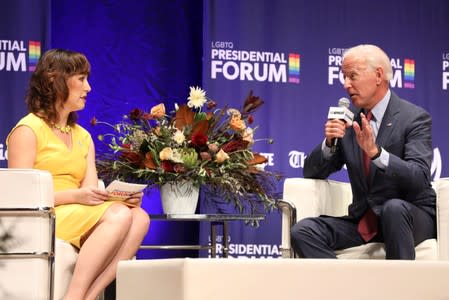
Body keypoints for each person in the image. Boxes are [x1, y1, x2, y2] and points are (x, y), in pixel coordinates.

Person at [7, 49, 150, 300]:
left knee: (139, 217)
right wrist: (77, 195)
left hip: (76, 211)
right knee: (117, 216)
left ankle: (88, 296)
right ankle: (74, 296)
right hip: (45, 215)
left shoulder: (82, 135)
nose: (89, 88)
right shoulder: (28, 130)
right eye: (81, 79)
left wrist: (118, 199)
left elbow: (91, 191)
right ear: (55, 80)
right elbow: (18, 199)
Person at [290, 44, 436, 260]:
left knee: (393, 209)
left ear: (378, 75)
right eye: (344, 77)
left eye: (352, 76)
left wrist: (377, 154)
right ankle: (347, 290)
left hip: (410, 216)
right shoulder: (351, 119)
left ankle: (399, 292)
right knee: (303, 231)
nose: (345, 84)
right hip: (365, 220)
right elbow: (312, 172)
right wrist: (329, 143)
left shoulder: (414, 118)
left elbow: (420, 178)